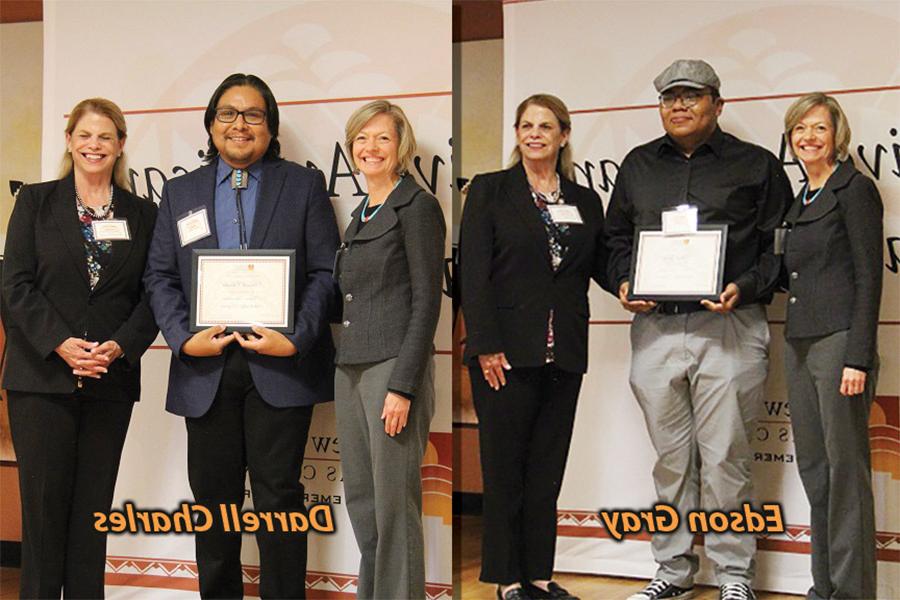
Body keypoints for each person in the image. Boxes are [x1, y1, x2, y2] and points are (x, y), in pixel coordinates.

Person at [143, 73, 340, 599]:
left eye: (253, 115)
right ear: (210, 125)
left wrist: (296, 337)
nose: (240, 125)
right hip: (205, 366)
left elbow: (325, 272)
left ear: (271, 128)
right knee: (213, 501)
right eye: (228, 114)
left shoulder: (303, 185)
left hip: (279, 364)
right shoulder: (180, 191)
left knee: (279, 499)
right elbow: (159, 275)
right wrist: (184, 338)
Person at [605, 60, 793, 600]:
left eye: (691, 97)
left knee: (727, 459)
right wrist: (623, 283)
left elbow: (777, 248)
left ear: (717, 104)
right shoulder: (639, 165)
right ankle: (672, 570)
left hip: (730, 326)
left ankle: (735, 576)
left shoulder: (755, 165)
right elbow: (616, 240)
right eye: (669, 98)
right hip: (657, 330)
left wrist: (745, 287)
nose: (679, 106)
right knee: (671, 462)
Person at [2, 98, 158, 599]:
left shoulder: (144, 214)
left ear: (121, 145)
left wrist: (119, 346)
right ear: (70, 140)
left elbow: (155, 294)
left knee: (94, 514)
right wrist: (60, 344)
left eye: (106, 137)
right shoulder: (35, 202)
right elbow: (15, 285)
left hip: (109, 381)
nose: (95, 145)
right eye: (85, 135)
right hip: (40, 380)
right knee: (45, 516)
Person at [460, 94, 610, 600]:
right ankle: (507, 578)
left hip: (563, 351)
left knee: (547, 470)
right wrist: (483, 344)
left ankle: (540, 575)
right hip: (503, 354)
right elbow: (472, 274)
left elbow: (603, 265)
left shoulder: (585, 201)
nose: (534, 134)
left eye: (546, 126)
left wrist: (638, 287)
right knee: (505, 471)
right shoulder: (490, 191)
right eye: (526, 125)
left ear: (564, 135)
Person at [333, 100, 445, 599]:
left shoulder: (416, 207)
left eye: (382, 138)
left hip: (391, 372)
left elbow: (426, 302)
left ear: (401, 146)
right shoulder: (361, 212)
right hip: (350, 368)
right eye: (362, 138)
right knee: (362, 501)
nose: (370, 147)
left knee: (395, 506)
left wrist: (402, 386)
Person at [780, 93, 882, 600]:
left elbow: (869, 279)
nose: (808, 138)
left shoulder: (854, 191)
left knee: (846, 477)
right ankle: (824, 588)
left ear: (836, 135)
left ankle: (853, 592)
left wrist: (857, 356)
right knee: (816, 473)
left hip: (840, 345)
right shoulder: (802, 199)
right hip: (799, 344)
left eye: (819, 128)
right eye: (800, 129)